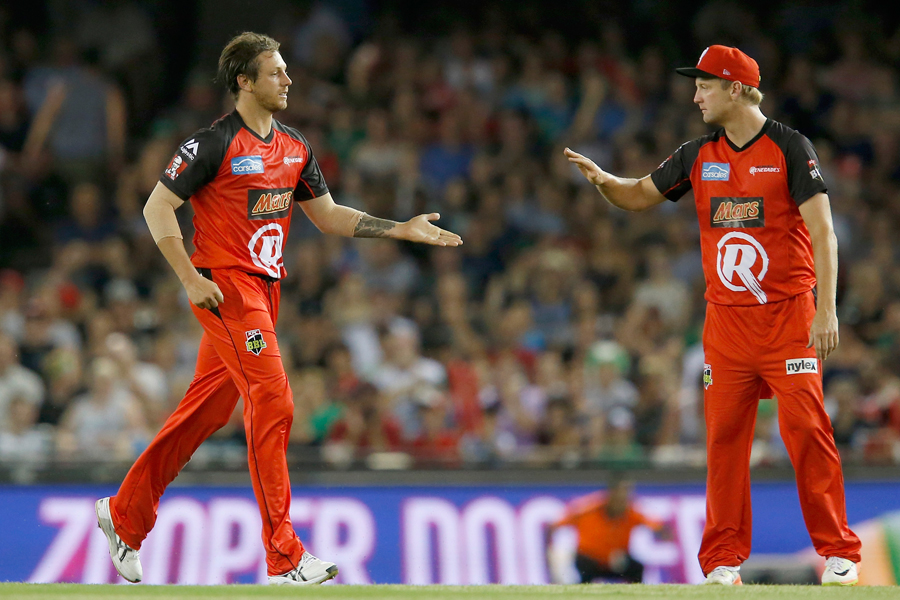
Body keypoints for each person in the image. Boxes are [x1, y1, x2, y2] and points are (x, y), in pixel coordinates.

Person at [95, 32, 462, 587]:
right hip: (225, 289)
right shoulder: (212, 144)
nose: (288, 80)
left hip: (263, 294)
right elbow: (156, 207)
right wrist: (190, 278)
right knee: (274, 398)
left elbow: (330, 215)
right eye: (275, 73)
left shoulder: (295, 147)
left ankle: (123, 516)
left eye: (286, 71)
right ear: (244, 81)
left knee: (207, 411)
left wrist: (401, 229)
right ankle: (285, 555)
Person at [565, 45, 861, 586]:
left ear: (734, 88)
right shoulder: (696, 154)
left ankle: (839, 553)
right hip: (725, 325)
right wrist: (605, 181)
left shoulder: (791, 148)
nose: (695, 95)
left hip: (788, 317)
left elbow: (824, 233)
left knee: (806, 431)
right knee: (725, 443)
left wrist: (826, 310)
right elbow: (637, 196)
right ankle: (723, 561)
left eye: (703, 85)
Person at [545, 477, 665, 583]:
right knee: (585, 567)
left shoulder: (631, 512)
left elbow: (657, 527)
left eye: (626, 495)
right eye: (620, 495)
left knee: (636, 568)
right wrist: (550, 545)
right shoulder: (589, 508)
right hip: (589, 560)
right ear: (611, 494)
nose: (623, 500)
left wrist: (662, 532)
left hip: (616, 560)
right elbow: (558, 524)